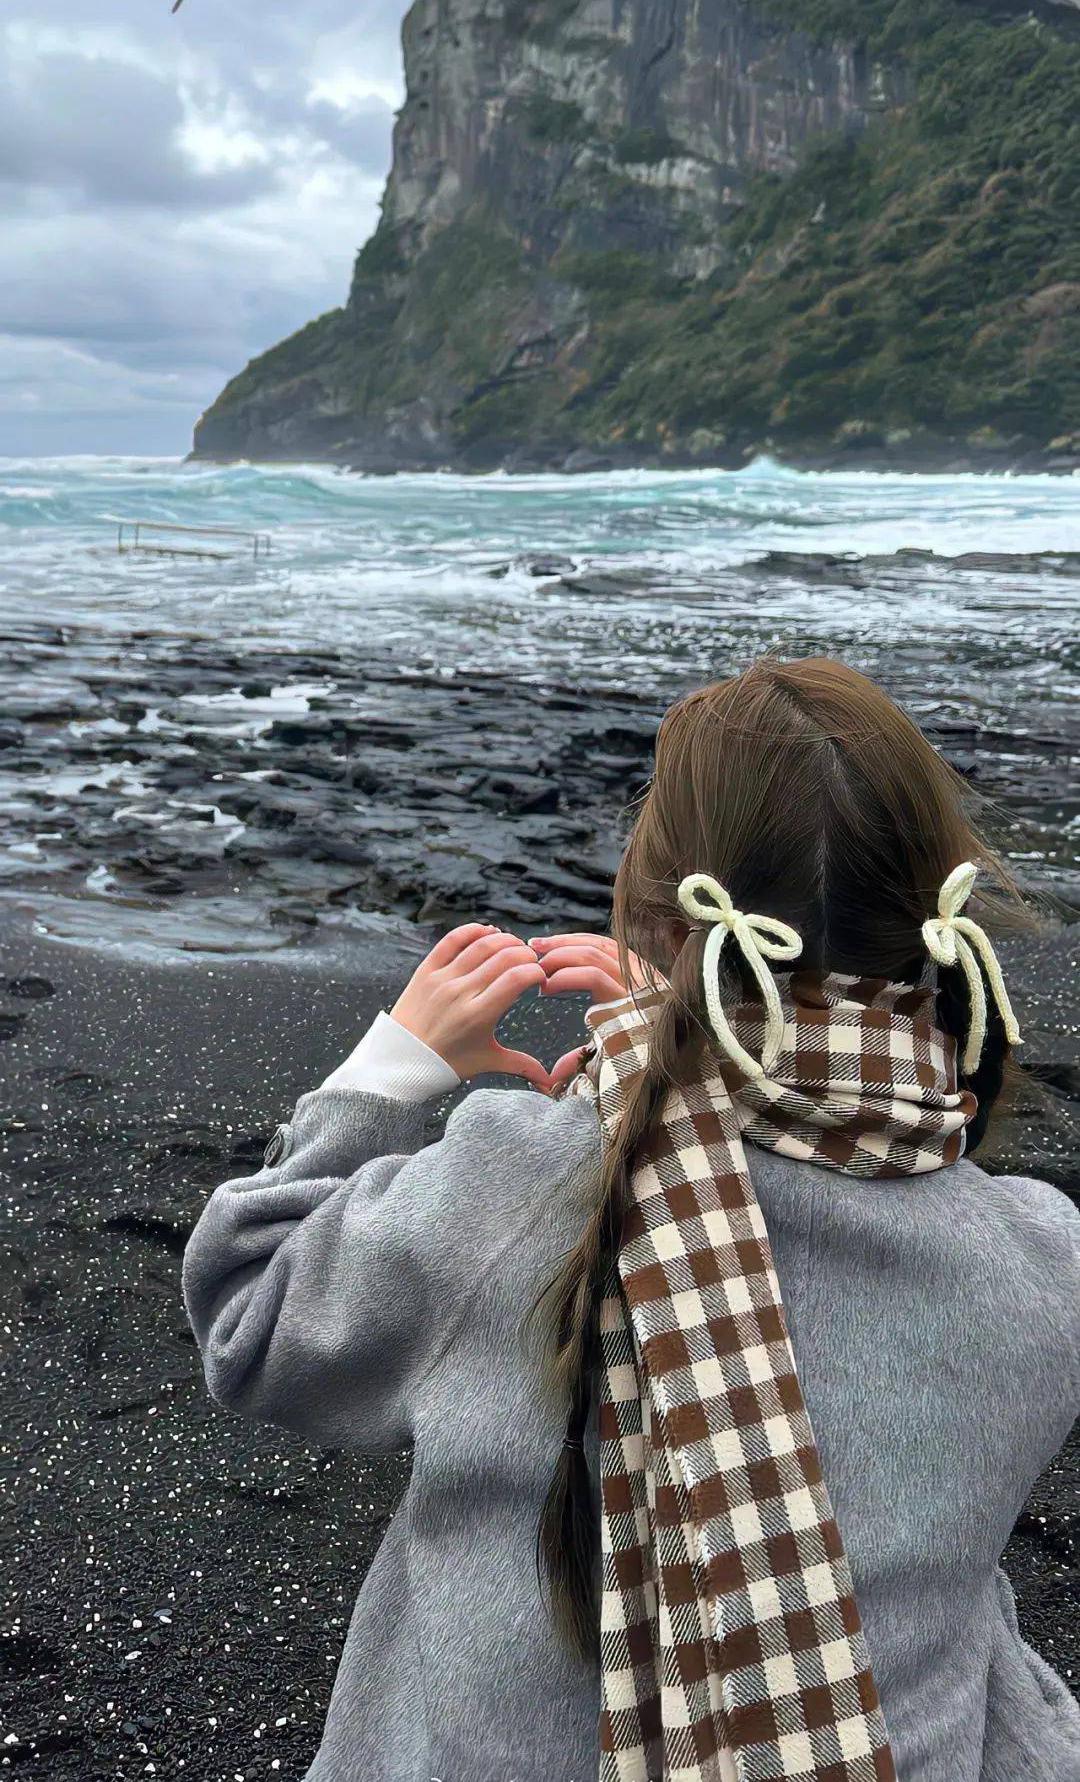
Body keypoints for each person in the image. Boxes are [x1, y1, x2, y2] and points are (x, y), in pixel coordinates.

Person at [181, 656, 1080, 1782]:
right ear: (940, 926)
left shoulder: (518, 1187)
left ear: (657, 920)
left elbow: (251, 1314)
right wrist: (686, 1044)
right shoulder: (1046, 1261)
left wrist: (387, 1069)